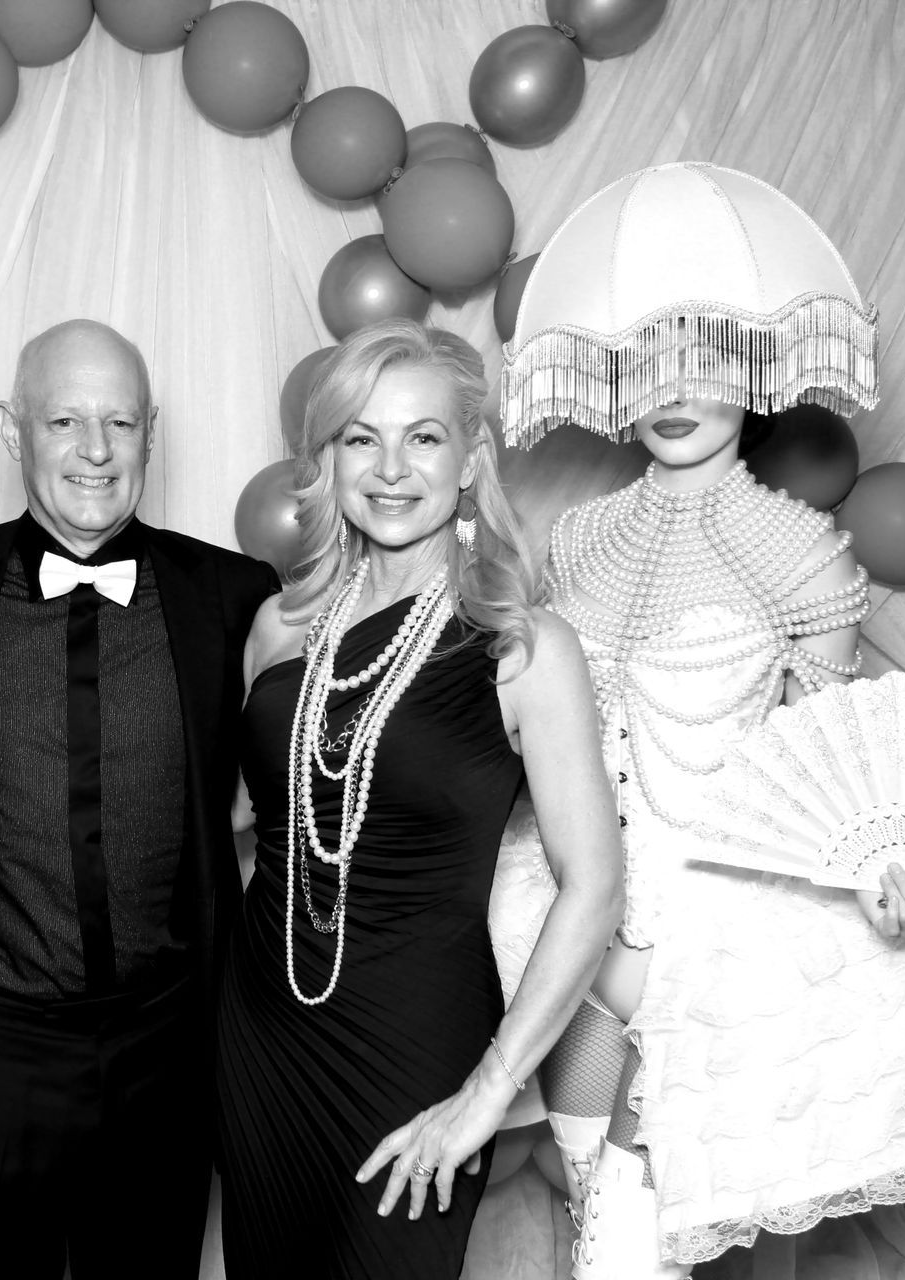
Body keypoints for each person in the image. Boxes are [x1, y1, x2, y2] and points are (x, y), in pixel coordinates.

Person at [500, 162, 905, 1277]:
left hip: (721, 941)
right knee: (591, 1199)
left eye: (701, 356)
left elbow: (823, 758)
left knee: (640, 1241)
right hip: (565, 918)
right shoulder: (579, 540)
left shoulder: (801, 549)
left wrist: (881, 865)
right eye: (647, 357)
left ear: (752, 366)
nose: (672, 388)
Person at [212, 318, 623, 1278]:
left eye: (424, 437)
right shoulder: (279, 627)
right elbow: (245, 816)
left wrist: (489, 1092)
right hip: (259, 1034)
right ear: (328, 458)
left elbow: (596, 887)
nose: (392, 469)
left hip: (417, 1049)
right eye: (363, 437)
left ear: (470, 459)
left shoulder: (525, 646)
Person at [0, 319, 277, 1279]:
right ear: (12, 429)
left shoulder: (235, 596)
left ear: (151, 434)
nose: (96, 450)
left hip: (168, 1048)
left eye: (120, 423)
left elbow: (294, 780)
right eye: (65, 421)